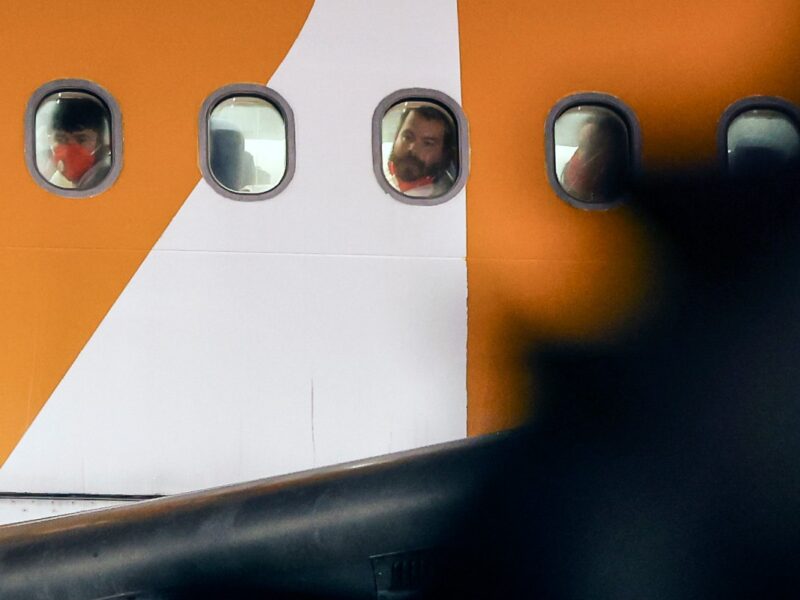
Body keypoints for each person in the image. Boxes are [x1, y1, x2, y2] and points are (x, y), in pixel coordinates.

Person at [385, 103, 458, 198]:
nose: (412, 148)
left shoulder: (442, 200)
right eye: (407, 137)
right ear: (396, 136)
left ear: (443, 154)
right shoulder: (376, 167)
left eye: (427, 143)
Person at [560, 112, 628, 203]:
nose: (586, 143)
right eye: (583, 142)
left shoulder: (606, 164)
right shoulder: (575, 160)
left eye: (591, 140)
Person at [47, 96, 112, 190]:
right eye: (61, 139)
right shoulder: (56, 181)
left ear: (100, 142)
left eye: (82, 139)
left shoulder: (105, 181)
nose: (69, 150)